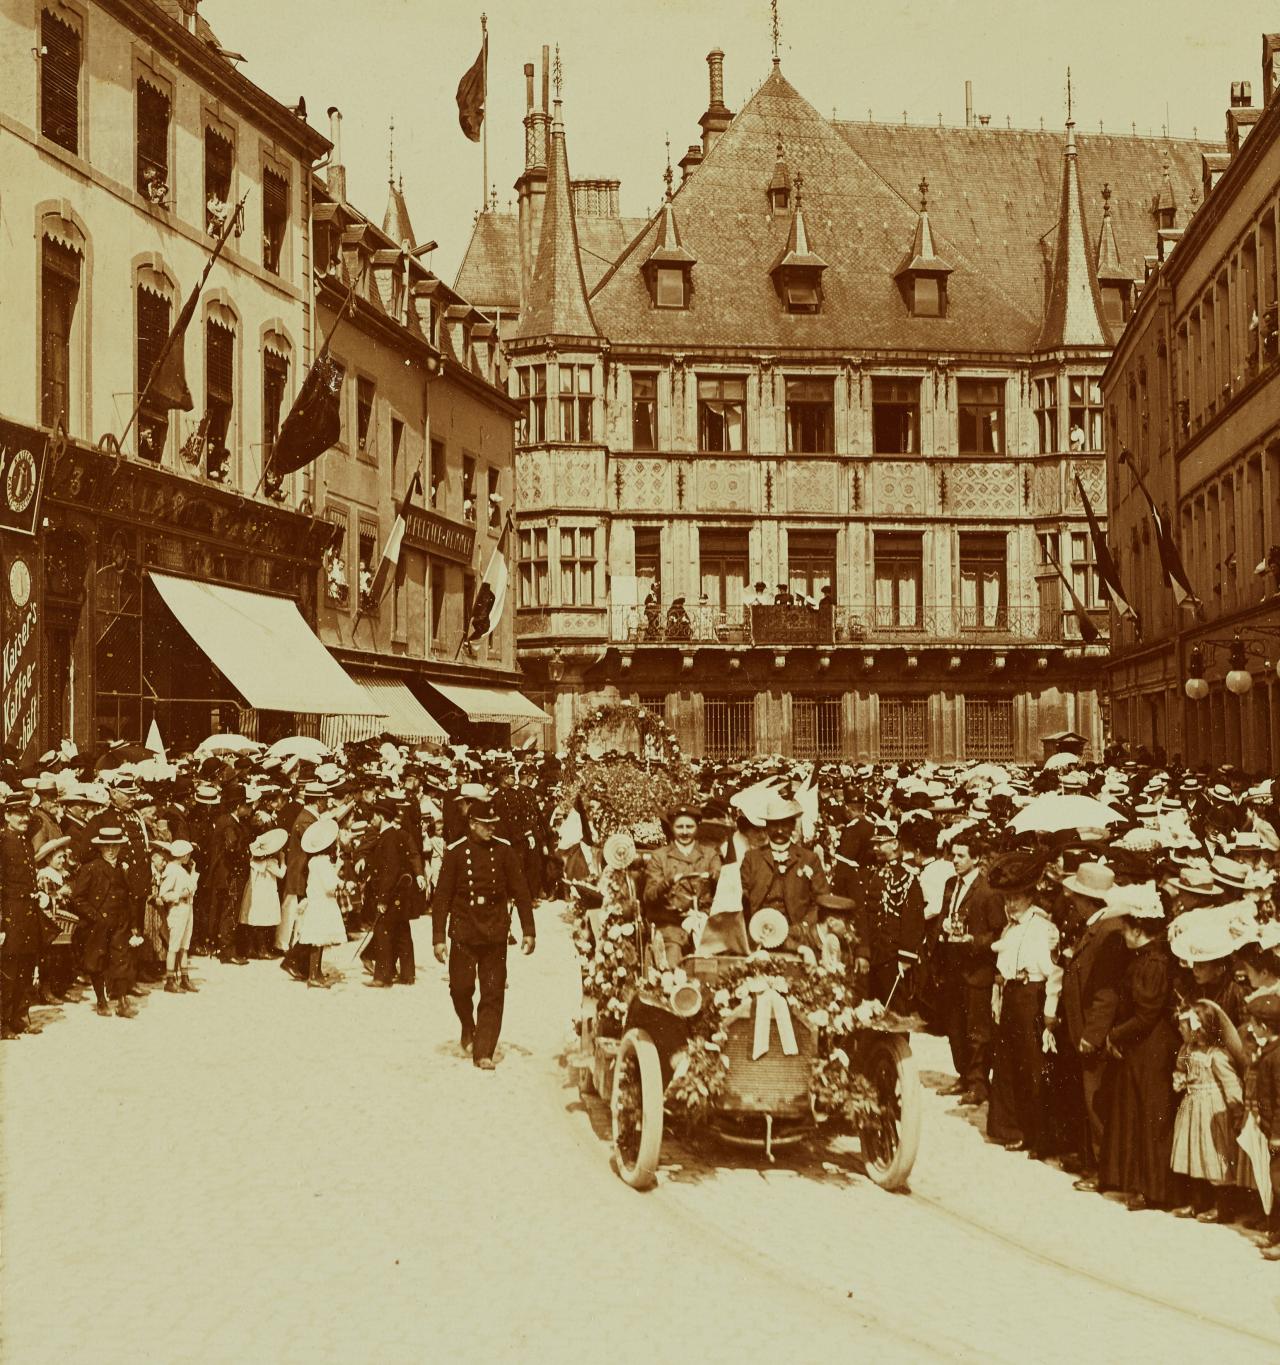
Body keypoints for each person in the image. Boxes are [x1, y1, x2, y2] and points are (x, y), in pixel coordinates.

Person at [1095, 883, 1181, 1211]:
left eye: (1128, 928)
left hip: (1152, 1047)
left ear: (1138, 929)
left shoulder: (1154, 963)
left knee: (1152, 1117)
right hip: (1141, 1047)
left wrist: (1115, 1034)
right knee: (1138, 1112)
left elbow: (1146, 1015)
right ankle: (1137, 1182)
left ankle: (1154, 1189)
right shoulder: (1144, 959)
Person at [432, 799, 534, 1070]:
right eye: (486, 825)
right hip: (464, 931)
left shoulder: (504, 852)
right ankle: (468, 1025)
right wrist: (438, 938)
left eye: (493, 825)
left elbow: (521, 891)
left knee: (493, 992)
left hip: (494, 931)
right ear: (472, 824)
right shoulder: (455, 853)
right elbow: (442, 897)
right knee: (460, 988)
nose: (491, 829)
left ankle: (484, 1051)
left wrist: (529, 930)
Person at [986, 852, 1061, 1157]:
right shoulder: (1011, 927)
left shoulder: (1043, 928)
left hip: (1033, 994)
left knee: (1031, 1067)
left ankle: (1034, 1133)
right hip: (1013, 993)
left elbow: (1053, 971)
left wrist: (1050, 1010)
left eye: (1016, 898)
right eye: (1007, 899)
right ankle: (1008, 1126)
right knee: (1006, 1063)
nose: (1011, 904)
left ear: (1030, 897)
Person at [935, 839, 1005, 1104]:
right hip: (953, 966)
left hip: (977, 970)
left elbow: (998, 932)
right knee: (955, 1027)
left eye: (961, 856)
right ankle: (963, 1075)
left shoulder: (988, 891)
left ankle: (978, 1083)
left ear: (975, 859)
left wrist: (974, 942)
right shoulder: (951, 885)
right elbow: (946, 915)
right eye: (953, 855)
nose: (955, 860)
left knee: (977, 1030)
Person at [1168, 1001, 1243, 1223]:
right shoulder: (1186, 1050)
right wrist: (1180, 1078)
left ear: (1199, 1028)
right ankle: (1198, 1202)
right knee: (1194, 1152)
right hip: (1192, 1107)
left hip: (1211, 1110)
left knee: (1215, 1154)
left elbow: (1231, 1085)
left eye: (1184, 1025)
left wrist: (1237, 1112)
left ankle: (1223, 1207)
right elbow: (1182, 1069)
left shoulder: (1216, 1055)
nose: (1180, 1029)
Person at [738, 795, 829, 952]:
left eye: (785, 825)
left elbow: (821, 899)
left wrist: (804, 926)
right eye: (774, 825)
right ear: (766, 827)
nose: (779, 831)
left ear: (793, 826)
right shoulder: (752, 858)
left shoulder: (809, 858)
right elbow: (740, 895)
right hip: (758, 933)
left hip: (797, 934)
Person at [72, 827, 140, 1018]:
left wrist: (133, 923)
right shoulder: (91, 868)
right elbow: (78, 899)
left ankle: (121, 1001)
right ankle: (101, 1000)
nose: (111, 850)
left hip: (120, 922)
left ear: (120, 847)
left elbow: (128, 897)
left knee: (121, 959)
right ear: (100, 847)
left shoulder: (122, 868)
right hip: (98, 924)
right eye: (107, 846)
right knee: (97, 961)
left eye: (115, 846)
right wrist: (95, 916)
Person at [641, 805, 721, 962]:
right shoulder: (660, 857)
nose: (685, 832)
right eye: (680, 827)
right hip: (671, 924)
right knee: (673, 954)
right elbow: (649, 895)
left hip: (705, 922)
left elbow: (723, 885)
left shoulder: (710, 855)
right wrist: (668, 882)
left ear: (697, 827)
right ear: (672, 827)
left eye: (690, 826)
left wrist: (715, 876)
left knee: (718, 958)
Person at [368, 797, 424, 987]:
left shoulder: (388, 838)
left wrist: (383, 898)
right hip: (400, 893)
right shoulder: (395, 835)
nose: (371, 820)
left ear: (381, 816)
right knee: (402, 931)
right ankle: (407, 974)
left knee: (383, 931)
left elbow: (389, 871)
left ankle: (382, 976)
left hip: (390, 894)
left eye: (374, 816)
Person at [1, 793, 44, 1038]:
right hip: (11, 915)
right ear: (7, 815)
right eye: (18, 813)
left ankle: (18, 1016)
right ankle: (3, 1023)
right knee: (9, 970)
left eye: (26, 812)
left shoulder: (24, 841)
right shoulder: (3, 842)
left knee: (26, 967)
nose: (24, 818)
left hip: (27, 913)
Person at [294, 818, 346, 988]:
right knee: (318, 941)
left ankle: (316, 972)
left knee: (320, 940)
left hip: (317, 904)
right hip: (322, 905)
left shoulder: (314, 861)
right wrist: (338, 873)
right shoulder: (323, 863)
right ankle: (313, 975)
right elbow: (329, 886)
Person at [157, 839, 200, 993]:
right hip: (177, 910)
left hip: (187, 909)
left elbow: (191, 887)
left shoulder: (182, 869)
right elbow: (163, 895)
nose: (189, 857)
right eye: (188, 854)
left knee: (184, 946)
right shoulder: (172, 870)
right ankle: (170, 980)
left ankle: (184, 978)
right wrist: (180, 895)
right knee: (174, 946)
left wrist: (193, 871)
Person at [241, 828, 288, 958]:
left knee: (253, 920)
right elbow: (281, 874)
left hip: (254, 891)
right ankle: (262, 950)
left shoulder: (254, 860)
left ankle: (250, 949)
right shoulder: (270, 862)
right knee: (263, 921)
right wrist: (283, 860)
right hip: (266, 892)